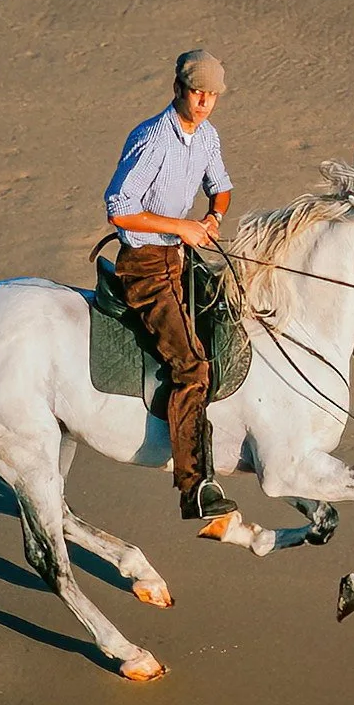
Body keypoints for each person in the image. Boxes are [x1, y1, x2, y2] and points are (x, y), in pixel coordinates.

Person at [103, 49, 238, 520]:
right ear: (178, 89)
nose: (203, 103)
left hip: (179, 255)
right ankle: (194, 487)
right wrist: (181, 228)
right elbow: (119, 206)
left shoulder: (206, 136)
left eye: (212, 96)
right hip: (144, 264)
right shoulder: (153, 138)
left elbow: (220, 185)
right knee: (193, 365)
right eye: (197, 92)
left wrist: (214, 215)